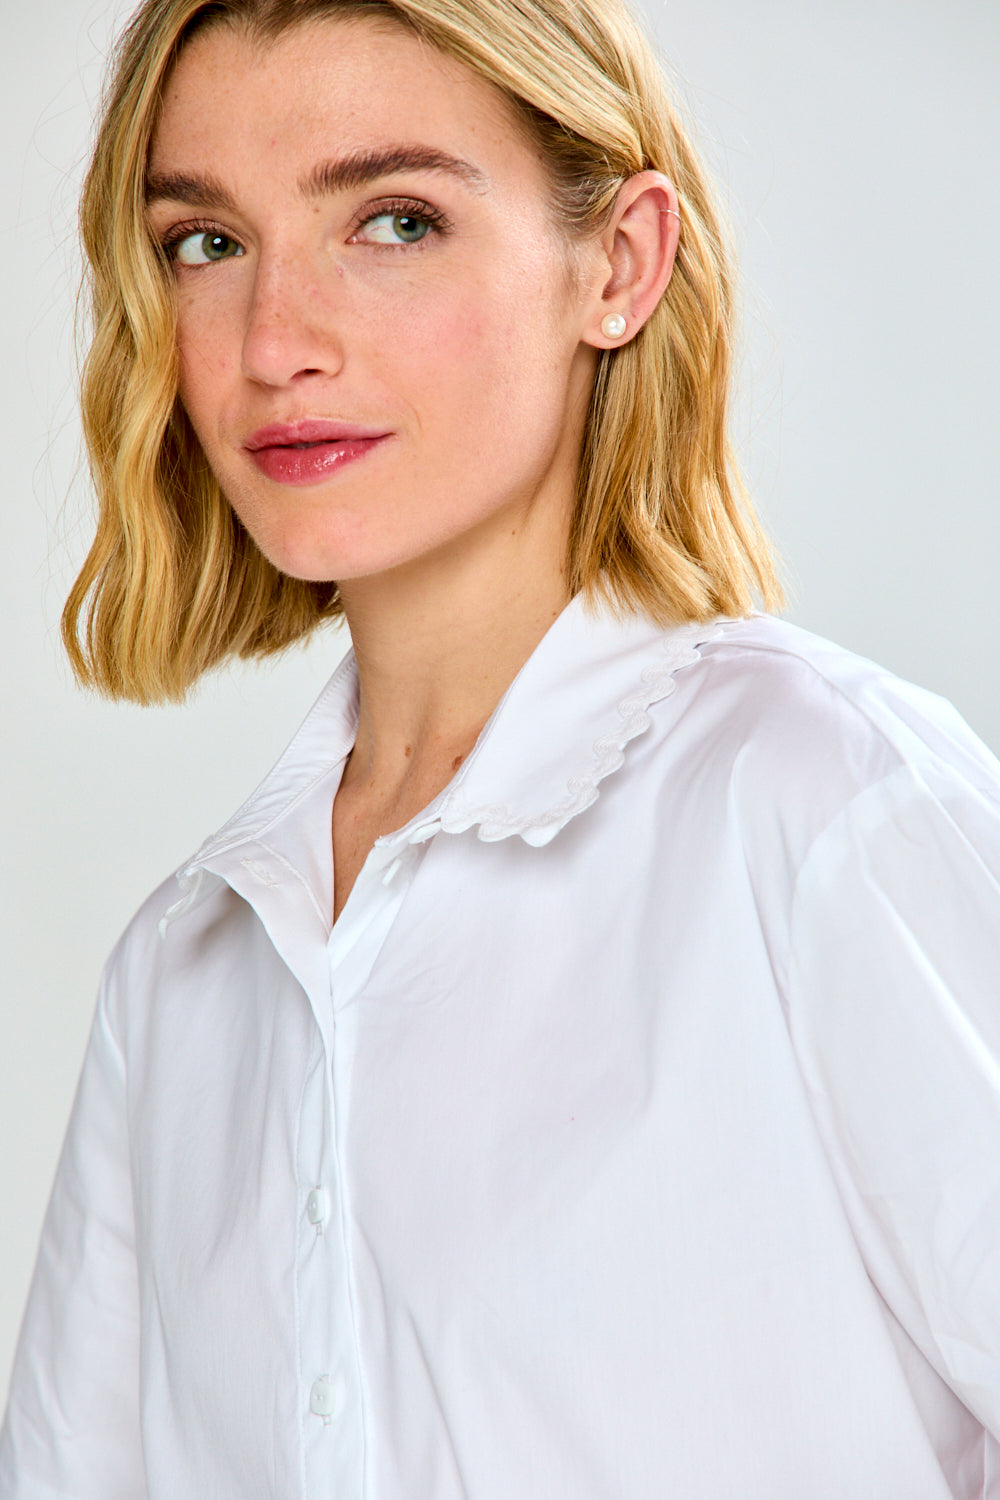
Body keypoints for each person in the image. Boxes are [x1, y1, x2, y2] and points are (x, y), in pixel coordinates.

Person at [2, 0, 999, 1494]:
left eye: (393, 221)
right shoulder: (184, 973)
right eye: (205, 243)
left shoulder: (823, 800)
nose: (276, 343)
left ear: (619, 263)